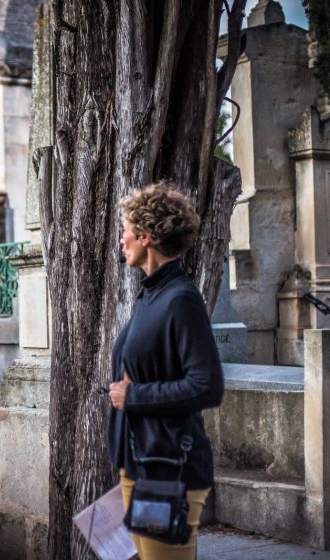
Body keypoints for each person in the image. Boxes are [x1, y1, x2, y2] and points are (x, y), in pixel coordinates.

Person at [108, 182, 224, 560]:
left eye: (125, 230)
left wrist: (134, 397)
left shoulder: (181, 299)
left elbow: (207, 386)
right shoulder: (150, 294)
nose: (121, 240)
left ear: (145, 236)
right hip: (139, 464)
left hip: (168, 470)